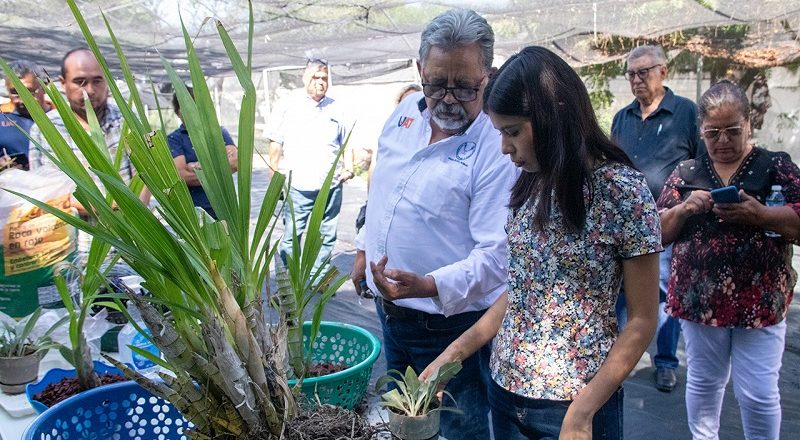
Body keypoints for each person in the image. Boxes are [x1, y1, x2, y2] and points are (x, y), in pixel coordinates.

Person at [420, 45, 661, 440]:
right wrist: (454, 353)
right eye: (500, 132)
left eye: (512, 131)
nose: (504, 147)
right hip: (506, 391)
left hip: (576, 404)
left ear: (552, 119)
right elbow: (521, 290)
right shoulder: (530, 183)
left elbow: (641, 320)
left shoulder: (622, 192)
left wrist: (582, 413)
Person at [352, 9, 516, 438]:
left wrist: (428, 285)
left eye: (464, 87)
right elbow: (381, 189)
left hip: (451, 326)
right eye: (436, 83)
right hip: (391, 315)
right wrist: (363, 247)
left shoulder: (496, 145)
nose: (447, 98)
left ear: (488, 75)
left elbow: (496, 259)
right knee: (407, 426)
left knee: (464, 431)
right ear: (419, 69)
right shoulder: (406, 112)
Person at [657, 80, 800, 440]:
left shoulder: (774, 166)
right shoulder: (687, 173)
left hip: (760, 302)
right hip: (699, 302)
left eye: (732, 130)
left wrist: (761, 216)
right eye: (712, 133)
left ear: (748, 124)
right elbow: (656, 231)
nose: (722, 141)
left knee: (758, 393)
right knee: (705, 383)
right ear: (701, 132)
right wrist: (687, 208)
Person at [611, 45, 705, 393]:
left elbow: (701, 164)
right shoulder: (623, 117)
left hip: (666, 220)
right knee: (618, 292)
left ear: (663, 72)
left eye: (643, 72)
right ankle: (615, 363)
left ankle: (665, 362)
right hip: (624, 223)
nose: (636, 79)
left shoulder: (685, 112)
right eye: (631, 73)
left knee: (663, 294)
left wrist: (686, 207)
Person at [267, 58, 354, 275]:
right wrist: (274, 178)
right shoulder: (288, 106)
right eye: (315, 77)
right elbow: (275, 144)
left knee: (326, 235)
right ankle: (286, 284)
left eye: (324, 78)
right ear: (305, 77)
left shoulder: (337, 107)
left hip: (331, 186)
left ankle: (317, 280)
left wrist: (349, 168)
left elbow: (347, 141)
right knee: (291, 235)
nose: (320, 82)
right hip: (298, 186)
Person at [167, 86, 238, 220]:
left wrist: (196, 166)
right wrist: (219, 166)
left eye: (193, 104)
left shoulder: (218, 132)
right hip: (194, 210)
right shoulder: (174, 139)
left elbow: (235, 163)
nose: (189, 110)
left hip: (225, 205)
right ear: (177, 111)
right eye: (184, 106)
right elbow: (180, 175)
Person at [1, 60, 52, 170]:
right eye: (15, 92)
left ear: (43, 88)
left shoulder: (60, 118)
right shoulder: (3, 116)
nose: (23, 99)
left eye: (29, 91)